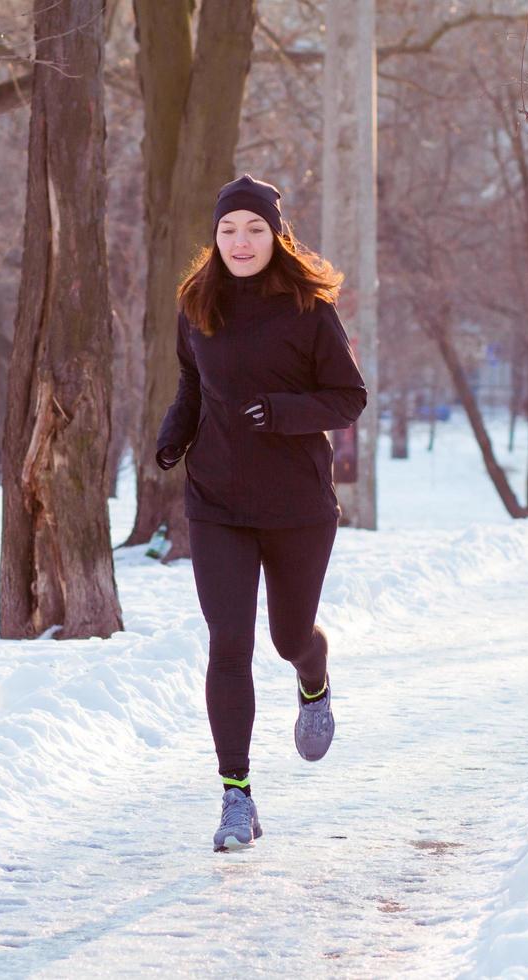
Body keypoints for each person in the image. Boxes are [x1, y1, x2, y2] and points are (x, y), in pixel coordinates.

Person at [155, 174, 368, 852]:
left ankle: (314, 674)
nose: (240, 242)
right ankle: (236, 797)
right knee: (229, 645)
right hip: (216, 501)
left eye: (253, 229)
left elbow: (348, 399)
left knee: (287, 638)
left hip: (298, 505)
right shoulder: (197, 304)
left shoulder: (308, 309)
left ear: (276, 236)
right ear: (214, 239)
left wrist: (280, 413)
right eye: (228, 230)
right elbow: (192, 382)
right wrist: (174, 432)